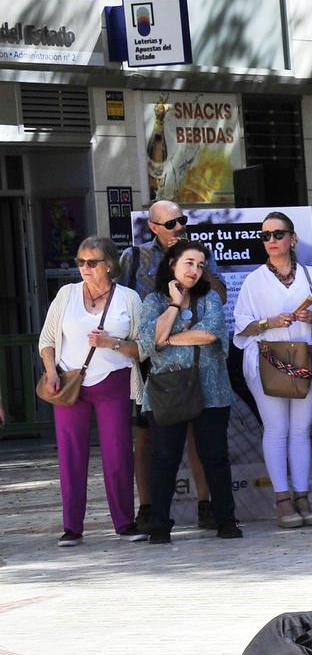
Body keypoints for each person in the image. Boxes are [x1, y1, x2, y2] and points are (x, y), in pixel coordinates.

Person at [230, 213, 312, 530]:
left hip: (306, 358)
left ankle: (302, 495)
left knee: (300, 429)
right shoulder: (253, 280)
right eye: (265, 236)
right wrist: (269, 322)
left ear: (292, 238)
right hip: (268, 361)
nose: (271, 241)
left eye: (278, 234)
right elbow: (241, 325)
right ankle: (282, 499)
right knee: (276, 429)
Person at [40, 235, 144, 547]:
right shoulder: (66, 294)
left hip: (113, 380)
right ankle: (72, 526)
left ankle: (125, 523)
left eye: (91, 262)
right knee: (70, 455)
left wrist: (111, 342)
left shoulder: (128, 299)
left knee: (118, 453)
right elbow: (46, 339)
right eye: (80, 262)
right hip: (70, 383)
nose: (84, 268)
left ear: (109, 266)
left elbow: (142, 349)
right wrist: (50, 373)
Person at [118, 200, 214, 534]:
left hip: (189, 352)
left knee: (195, 430)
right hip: (151, 356)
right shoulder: (134, 257)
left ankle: (207, 504)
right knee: (146, 434)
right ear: (154, 227)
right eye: (171, 223)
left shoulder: (198, 255)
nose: (178, 228)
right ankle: (147, 508)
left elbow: (214, 296)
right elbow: (125, 304)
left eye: (181, 221)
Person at [136, 242, 239, 544]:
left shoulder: (210, 300)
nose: (195, 270)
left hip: (212, 390)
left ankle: (226, 519)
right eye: (189, 263)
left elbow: (209, 334)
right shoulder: (153, 301)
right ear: (172, 264)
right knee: (165, 458)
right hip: (167, 389)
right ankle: (159, 525)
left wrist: (169, 339)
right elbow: (149, 341)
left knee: (215, 456)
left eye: (201, 265)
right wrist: (173, 306)